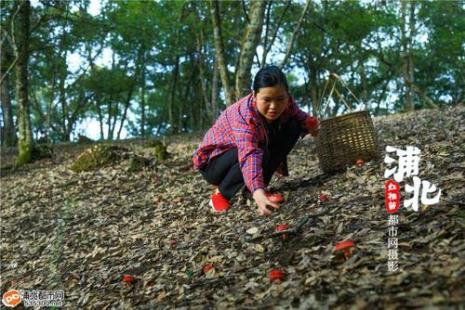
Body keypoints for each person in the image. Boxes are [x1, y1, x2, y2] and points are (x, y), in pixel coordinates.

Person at [192, 66, 319, 216]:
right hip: (214, 163)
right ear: (254, 95)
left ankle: (256, 188)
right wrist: (258, 194)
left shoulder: (287, 103)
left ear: (287, 96)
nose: (274, 106)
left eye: (280, 99)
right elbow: (249, 154)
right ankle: (221, 194)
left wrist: (311, 124)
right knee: (260, 151)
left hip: (250, 151)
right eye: (266, 100)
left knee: (293, 126)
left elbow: (299, 116)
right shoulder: (243, 115)